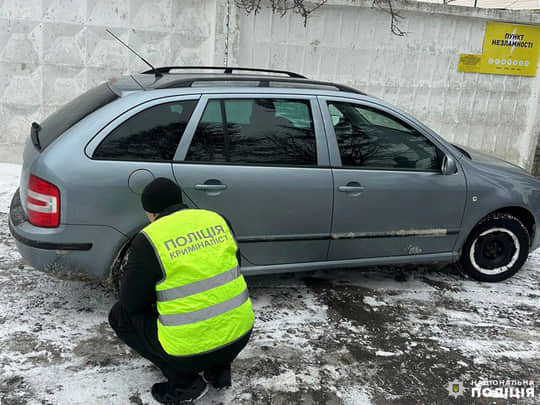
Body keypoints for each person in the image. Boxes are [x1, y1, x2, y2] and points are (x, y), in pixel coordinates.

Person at [109, 177, 254, 404]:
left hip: (188, 351)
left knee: (120, 315)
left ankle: (184, 383)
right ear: (180, 201)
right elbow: (233, 268)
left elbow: (132, 303)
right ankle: (218, 371)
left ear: (151, 213)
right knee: (216, 302)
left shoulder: (149, 239)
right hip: (240, 336)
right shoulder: (217, 220)